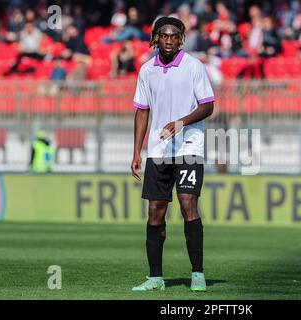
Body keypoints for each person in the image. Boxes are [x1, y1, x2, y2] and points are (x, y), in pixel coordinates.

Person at [131, 16, 214, 292]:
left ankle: (198, 273)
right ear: (155, 38)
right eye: (164, 36)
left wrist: (181, 123)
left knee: (188, 204)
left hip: (189, 147)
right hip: (158, 151)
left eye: (174, 36)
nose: (169, 40)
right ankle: (155, 277)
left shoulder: (193, 67)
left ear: (181, 39)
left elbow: (207, 106)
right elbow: (142, 111)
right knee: (155, 211)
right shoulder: (146, 70)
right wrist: (136, 152)